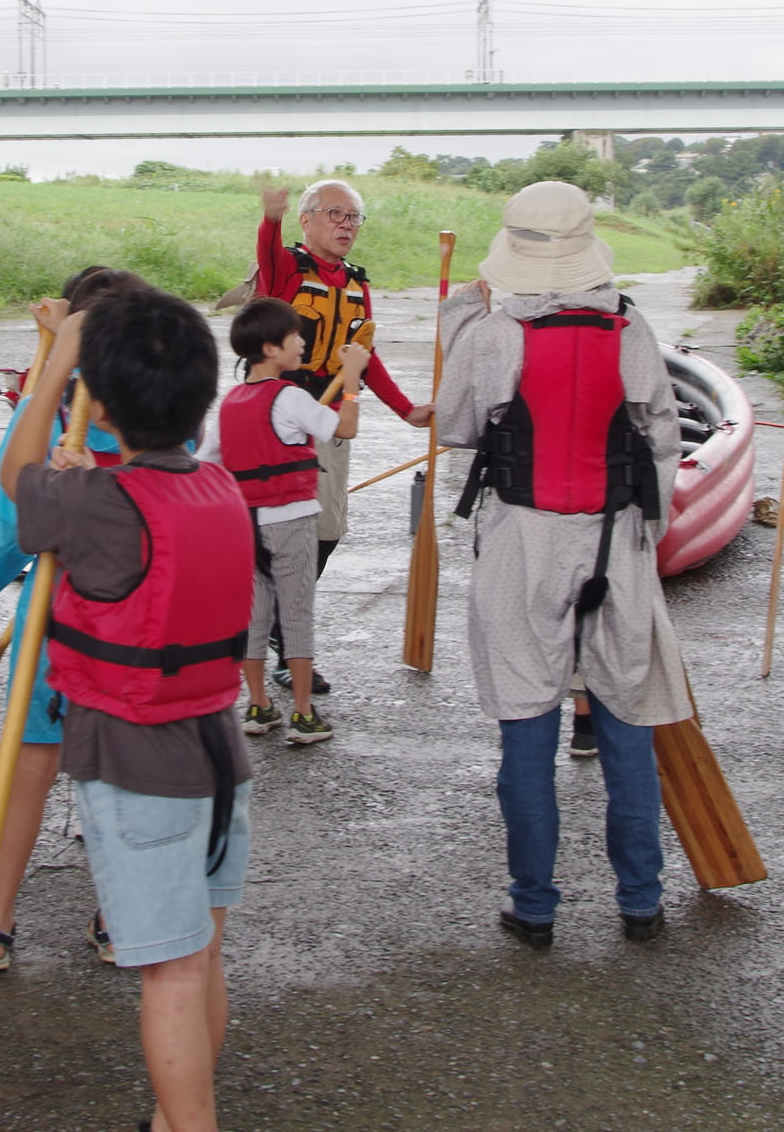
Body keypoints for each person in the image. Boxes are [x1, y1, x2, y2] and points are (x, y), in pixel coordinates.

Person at [2, 287, 252, 1132]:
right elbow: (143, 496)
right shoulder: (219, 486)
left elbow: (16, 481)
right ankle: (177, 1113)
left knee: (171, 973)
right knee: (202, 953)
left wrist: (55, 369)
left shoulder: (90, 501)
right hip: (220, 754)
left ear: (98, 404)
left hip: (137, 762)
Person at [437, 181, 687, 947]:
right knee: (624, 719)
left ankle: (535, 905)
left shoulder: (494, 332)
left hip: (522, 538)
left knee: (527, 719)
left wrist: (461, 320)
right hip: (616, 538)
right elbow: (660, 433)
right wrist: (651, 528)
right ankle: (640, 901)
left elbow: (455, 425)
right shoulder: (630, 325)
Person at [0, 264, 144, 973]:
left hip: (70, 617)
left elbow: (3, 517)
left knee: (37, 766)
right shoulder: (143, 422)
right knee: (108, 773)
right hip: (117, 620)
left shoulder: (51, 420)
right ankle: (107, 914)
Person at [251, 179, 431, 691]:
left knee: (326, 533)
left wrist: (407, 410)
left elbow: (363, 358)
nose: (346, 224)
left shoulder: (356, 283)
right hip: (281, 419)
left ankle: (280, 629)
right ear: (306, 220)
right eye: (336, 214)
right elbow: (266, 256)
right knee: (284, 535)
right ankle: (287, 644)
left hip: (330, 420)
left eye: (353, 217)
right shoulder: (286, 268)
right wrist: (270, 216)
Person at [197, 295, 362, 745]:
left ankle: (258, 706)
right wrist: (352, 378)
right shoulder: (290, 396)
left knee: (254, 617)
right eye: (294, 337)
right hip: (290, 523)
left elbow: (206, 462)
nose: (302, 343)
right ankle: (304, 714)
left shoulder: (231, 402)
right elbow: (343, 428)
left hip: (245, 526)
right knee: (296, 615)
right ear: (271, 348)